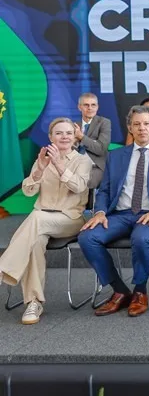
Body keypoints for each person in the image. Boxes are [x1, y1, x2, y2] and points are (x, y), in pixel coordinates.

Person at [78, 105, 149, 318]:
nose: (142, 128)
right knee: (87, 237)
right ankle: (119, 290)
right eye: (137, 124)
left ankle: (140, 291)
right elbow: (105, 190)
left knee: (141, 237)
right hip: (120, 214)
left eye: (146, 123)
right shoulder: (116, 156)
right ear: (130, 127)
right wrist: (99, 212)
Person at [0, 118, 92, 324]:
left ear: (74, 137)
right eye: (59, 133)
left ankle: (3, 268)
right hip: (41, 222)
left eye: (68, 133)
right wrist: (40, 168)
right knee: (35, 242)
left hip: (70, 219)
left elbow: (78, 187)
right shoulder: (43, 158)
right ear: (50, 137)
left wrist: (60, 166)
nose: (64, 136)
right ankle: (34, 303)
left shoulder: (83, 161)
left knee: (36, 217)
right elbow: (28, 190)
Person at [74, 92, 111, 189]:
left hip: (95, 166)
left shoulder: (104, 123)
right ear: (79, 107)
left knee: (86, 184)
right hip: (75, 165)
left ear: (97, 107)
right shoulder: (74, 125)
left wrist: (81, 137)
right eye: (86, 105)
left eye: (93, 105)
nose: (90, 108)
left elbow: (101, 149)